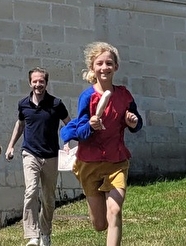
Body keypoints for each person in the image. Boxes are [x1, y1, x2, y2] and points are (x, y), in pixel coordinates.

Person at [65, 42, 141, 246]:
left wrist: (132, 122)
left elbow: (137, 122)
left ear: (116, 67)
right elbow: (79, 132)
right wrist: (90, 125)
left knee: (115, 210)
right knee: (99, 224)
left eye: (109, 63)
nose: (104, 67)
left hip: (116, 162)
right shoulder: (87, 97)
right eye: (99, 63)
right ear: (92, 68)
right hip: (89, 164)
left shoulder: (124, 95)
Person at [3, 68, 69, 246]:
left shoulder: (56, 104)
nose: (38, 84)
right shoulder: (23, 104)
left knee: (48, 198)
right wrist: (11, 146)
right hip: (30, 153)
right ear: (30, 83)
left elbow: (68, 123)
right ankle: (32, 235)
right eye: (35, 81)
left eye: (41, 81)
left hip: (51, 155)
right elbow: (20, 125)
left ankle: (45, 233)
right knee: (31, 191)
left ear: (46, 83)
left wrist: (68, 142)